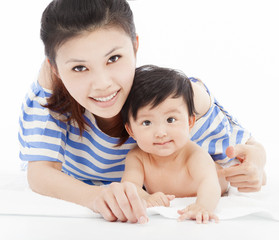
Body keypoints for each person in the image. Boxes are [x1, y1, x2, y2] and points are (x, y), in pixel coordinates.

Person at [18, 0, 266, 224]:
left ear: (135, 46)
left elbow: (249, 149)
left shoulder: (174, 99)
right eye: (80, 68)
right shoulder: (51, 96)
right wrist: (96, 197)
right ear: (55, 69)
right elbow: (39, 174)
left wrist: (253, 164)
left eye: (114, 58)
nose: (102, 83)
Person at [121, 65, 229, 223]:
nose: (160, 132)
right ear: (131, 130)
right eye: (146, 122)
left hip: (220, 177)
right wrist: (146, 197)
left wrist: (202, 205)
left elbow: (210, 184)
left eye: (171, 120)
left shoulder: (193, 154)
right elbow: (130, 185)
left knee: (231, 171)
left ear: (190, 121)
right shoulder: (137, 157)